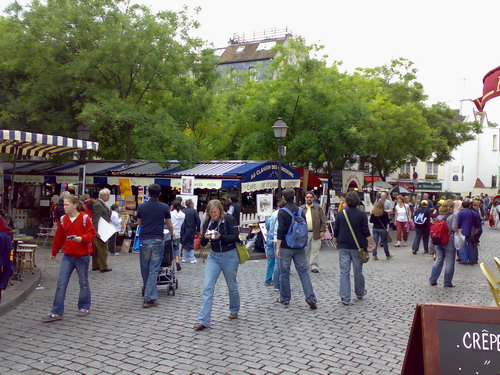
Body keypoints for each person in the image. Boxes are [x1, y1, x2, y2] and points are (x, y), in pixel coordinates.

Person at [42, 194, 96, 322]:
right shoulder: (63, 219)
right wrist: (54, 251)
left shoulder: (84, 218)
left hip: (82, 255)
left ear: (74, 205)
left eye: (67, 204)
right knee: (61, 283)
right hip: (68, 255)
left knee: (83, 282)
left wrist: (81, 238)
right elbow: (59, 236)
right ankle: (56, 311)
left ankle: (84, 306)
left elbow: (92, 234)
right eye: (64, 205)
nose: (64, 207)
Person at [194, 200, 240, 331]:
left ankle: (234, 308)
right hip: (214, 256)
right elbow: (202, 242)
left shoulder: (229, 219)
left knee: (232, 286)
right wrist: (206, 237)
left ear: (220, 210)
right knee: (208, 287)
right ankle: (203, 320)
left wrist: (221, 237)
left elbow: (235, 237)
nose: (213, 214)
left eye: (215, 212)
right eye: (211, 212)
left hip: (229, 255)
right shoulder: (208, 221)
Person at [276, 188, 317, 309]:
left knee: (284, 273)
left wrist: (278, 247)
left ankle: (285, 298)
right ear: (294, 197)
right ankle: (310, 297)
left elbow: (281, 230)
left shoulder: (282, 212)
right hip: (299, 246)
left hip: (286, 246)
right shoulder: (300, 210)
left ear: (283, 198)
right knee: (303, 272)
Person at [333, 191, 376, 305]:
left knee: (344, 272)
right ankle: (360, 292)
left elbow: (336, 230)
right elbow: (366, 232)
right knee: (358, 270)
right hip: (358, 247)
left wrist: (334, 242)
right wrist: (373, 243)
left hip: (344, 246)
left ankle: (345, 297)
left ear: (346, 201)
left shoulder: (341, 214)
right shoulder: (361, 215)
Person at [137, 184, 174, 308]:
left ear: (148, 193)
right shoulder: (164, 207)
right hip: (158, 239)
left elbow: (139, 223)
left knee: (145, 268)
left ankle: (149, 294)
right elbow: (169, 224)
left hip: (144, 239)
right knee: (154, 268)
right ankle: (150, 297)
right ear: (159, 194)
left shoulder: (141, 206)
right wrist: (172, 234)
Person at [429, 200, 457, 287]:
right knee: (449, 262)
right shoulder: (453, 216)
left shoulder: (438, 216)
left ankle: (433, 280)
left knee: (439, 260)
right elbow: (454, 228)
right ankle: (447, 282)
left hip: (439, 241)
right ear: (451, 207)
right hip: (449, 241)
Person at [301, 191, 327, 273]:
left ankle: (313, 266)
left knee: (315, 250)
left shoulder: (318, 208)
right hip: (305, 233)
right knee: (305, 249)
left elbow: (323, 220)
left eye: (310, 197)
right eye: (307, 197)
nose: (309, 199)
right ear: (305, 198)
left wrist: (322, 230)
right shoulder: (301, 209)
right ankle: (305, 265)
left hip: (316, 232)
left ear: (313, 198)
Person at [91, 188, 112, 273]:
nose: (109, 197)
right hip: (101, 229)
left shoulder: (101, 203)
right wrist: (96, 230)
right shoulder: (99, 205)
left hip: (102, 228)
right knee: (103, 248)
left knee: (97, 248)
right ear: (102, 195)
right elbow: (95, 218)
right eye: (108, 195)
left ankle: (96, 265)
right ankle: (103, 266)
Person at [457, 200, 482, 265]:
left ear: (462, 206)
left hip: (462, 230)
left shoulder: (460, 213)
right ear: (469, 205)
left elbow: (458, 223)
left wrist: (458, 229)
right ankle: (472, 260)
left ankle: (464, 259)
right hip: (472, 231)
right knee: (471, 245)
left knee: (462, 245)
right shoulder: (474, 213)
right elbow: (478, 224)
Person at [180, 199, 201, 263]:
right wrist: (198, 229)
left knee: (185, 243)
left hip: (184, 229)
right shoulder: (194, 211)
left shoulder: (183, 211)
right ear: (191, 204)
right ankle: (191, 258)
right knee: (191, 243)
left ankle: (185, 257)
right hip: (192, 229)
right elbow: (198, 221)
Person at [171, 200, 185, 271]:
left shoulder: (171, 213)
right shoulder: (183, 215)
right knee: (176, 248)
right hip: (178, 232)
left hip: (171, 232)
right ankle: (177, 261)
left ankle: (169, 260)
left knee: (169, 247)